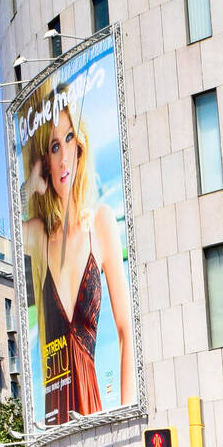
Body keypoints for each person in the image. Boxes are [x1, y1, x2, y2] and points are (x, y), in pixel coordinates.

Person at [22, 86, 133, 426]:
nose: (64, 157)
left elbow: (127, 329)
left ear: (80, 145)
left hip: (95, 404)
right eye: (54, 147)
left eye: (68, 139)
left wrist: (124, 415)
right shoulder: (39, 234)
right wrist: (30, 188)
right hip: (54, 411)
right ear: (44, 161)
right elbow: (13, 239)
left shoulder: (100, 221)